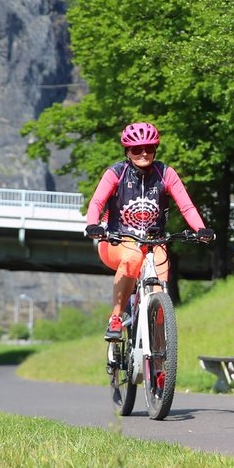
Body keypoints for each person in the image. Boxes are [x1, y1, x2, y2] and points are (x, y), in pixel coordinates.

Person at [84, 122, 214, 340]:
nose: (144, 153)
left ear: (155, 149)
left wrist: (201, 229)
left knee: (160, 293)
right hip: (116, 240)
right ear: (127, 152)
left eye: (149, 148)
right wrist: (92, 225)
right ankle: (115, 318)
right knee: (133, 256)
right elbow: (97, 202)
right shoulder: (116, 172)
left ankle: (158, 362)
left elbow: (187, 207)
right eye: (137, 149)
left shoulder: (166, 174)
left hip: (154, 243)